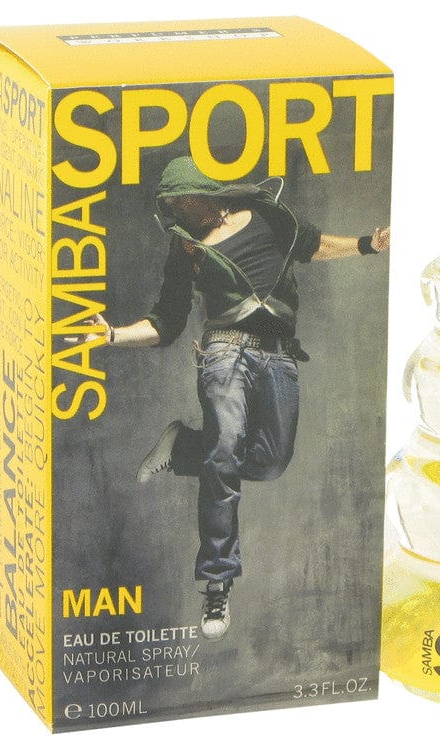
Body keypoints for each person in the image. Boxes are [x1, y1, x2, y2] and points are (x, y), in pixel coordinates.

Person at [86, 157, 389, 641]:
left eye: (182, 201)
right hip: (224, 352)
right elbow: (166, 321)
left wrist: (368, 244)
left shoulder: (266, 215)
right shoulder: (186, 248)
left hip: (280, 355)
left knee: (271, 462)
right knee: (225, 451)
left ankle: (184, 447)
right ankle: (217, 582)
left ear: (204, 193)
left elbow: (311, 245)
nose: (178, 212)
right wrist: (114, 335)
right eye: (170, 207)